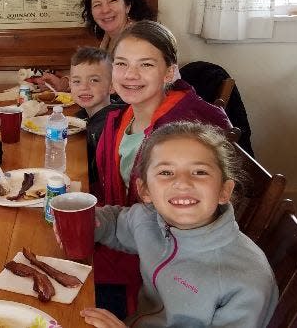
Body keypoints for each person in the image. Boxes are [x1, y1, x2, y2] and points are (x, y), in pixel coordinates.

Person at [93, 20, 231, 318]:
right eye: (121, 63)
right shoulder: (122, 118)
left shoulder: (185, 132)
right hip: (128, 232)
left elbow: (185, 227)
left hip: (166, 266)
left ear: (169, 72)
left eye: (145, 64)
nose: (130, 75)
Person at [78, 121, 278, 327]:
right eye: (166, 172)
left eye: (200, 172)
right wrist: (89, 222)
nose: (182, 183)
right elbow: (116, 222)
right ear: (144, 190)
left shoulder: (247, 283)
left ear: (223, 191)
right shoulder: (150, 219)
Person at [37, 0, 155, 92]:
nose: (105, 10)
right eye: (97, 5)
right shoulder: (108, 37)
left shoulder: (138, 40)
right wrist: (63, 84)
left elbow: (125, 87)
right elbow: (95, 73)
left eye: (112, 1)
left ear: (127, 5)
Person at [69, 46, 124, 190]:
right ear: (70, 85)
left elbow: (97, 177)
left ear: (112, 86)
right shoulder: (84, 115)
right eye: (77, 81)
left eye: (94, 80)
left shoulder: (107, 126)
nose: (84, 87)